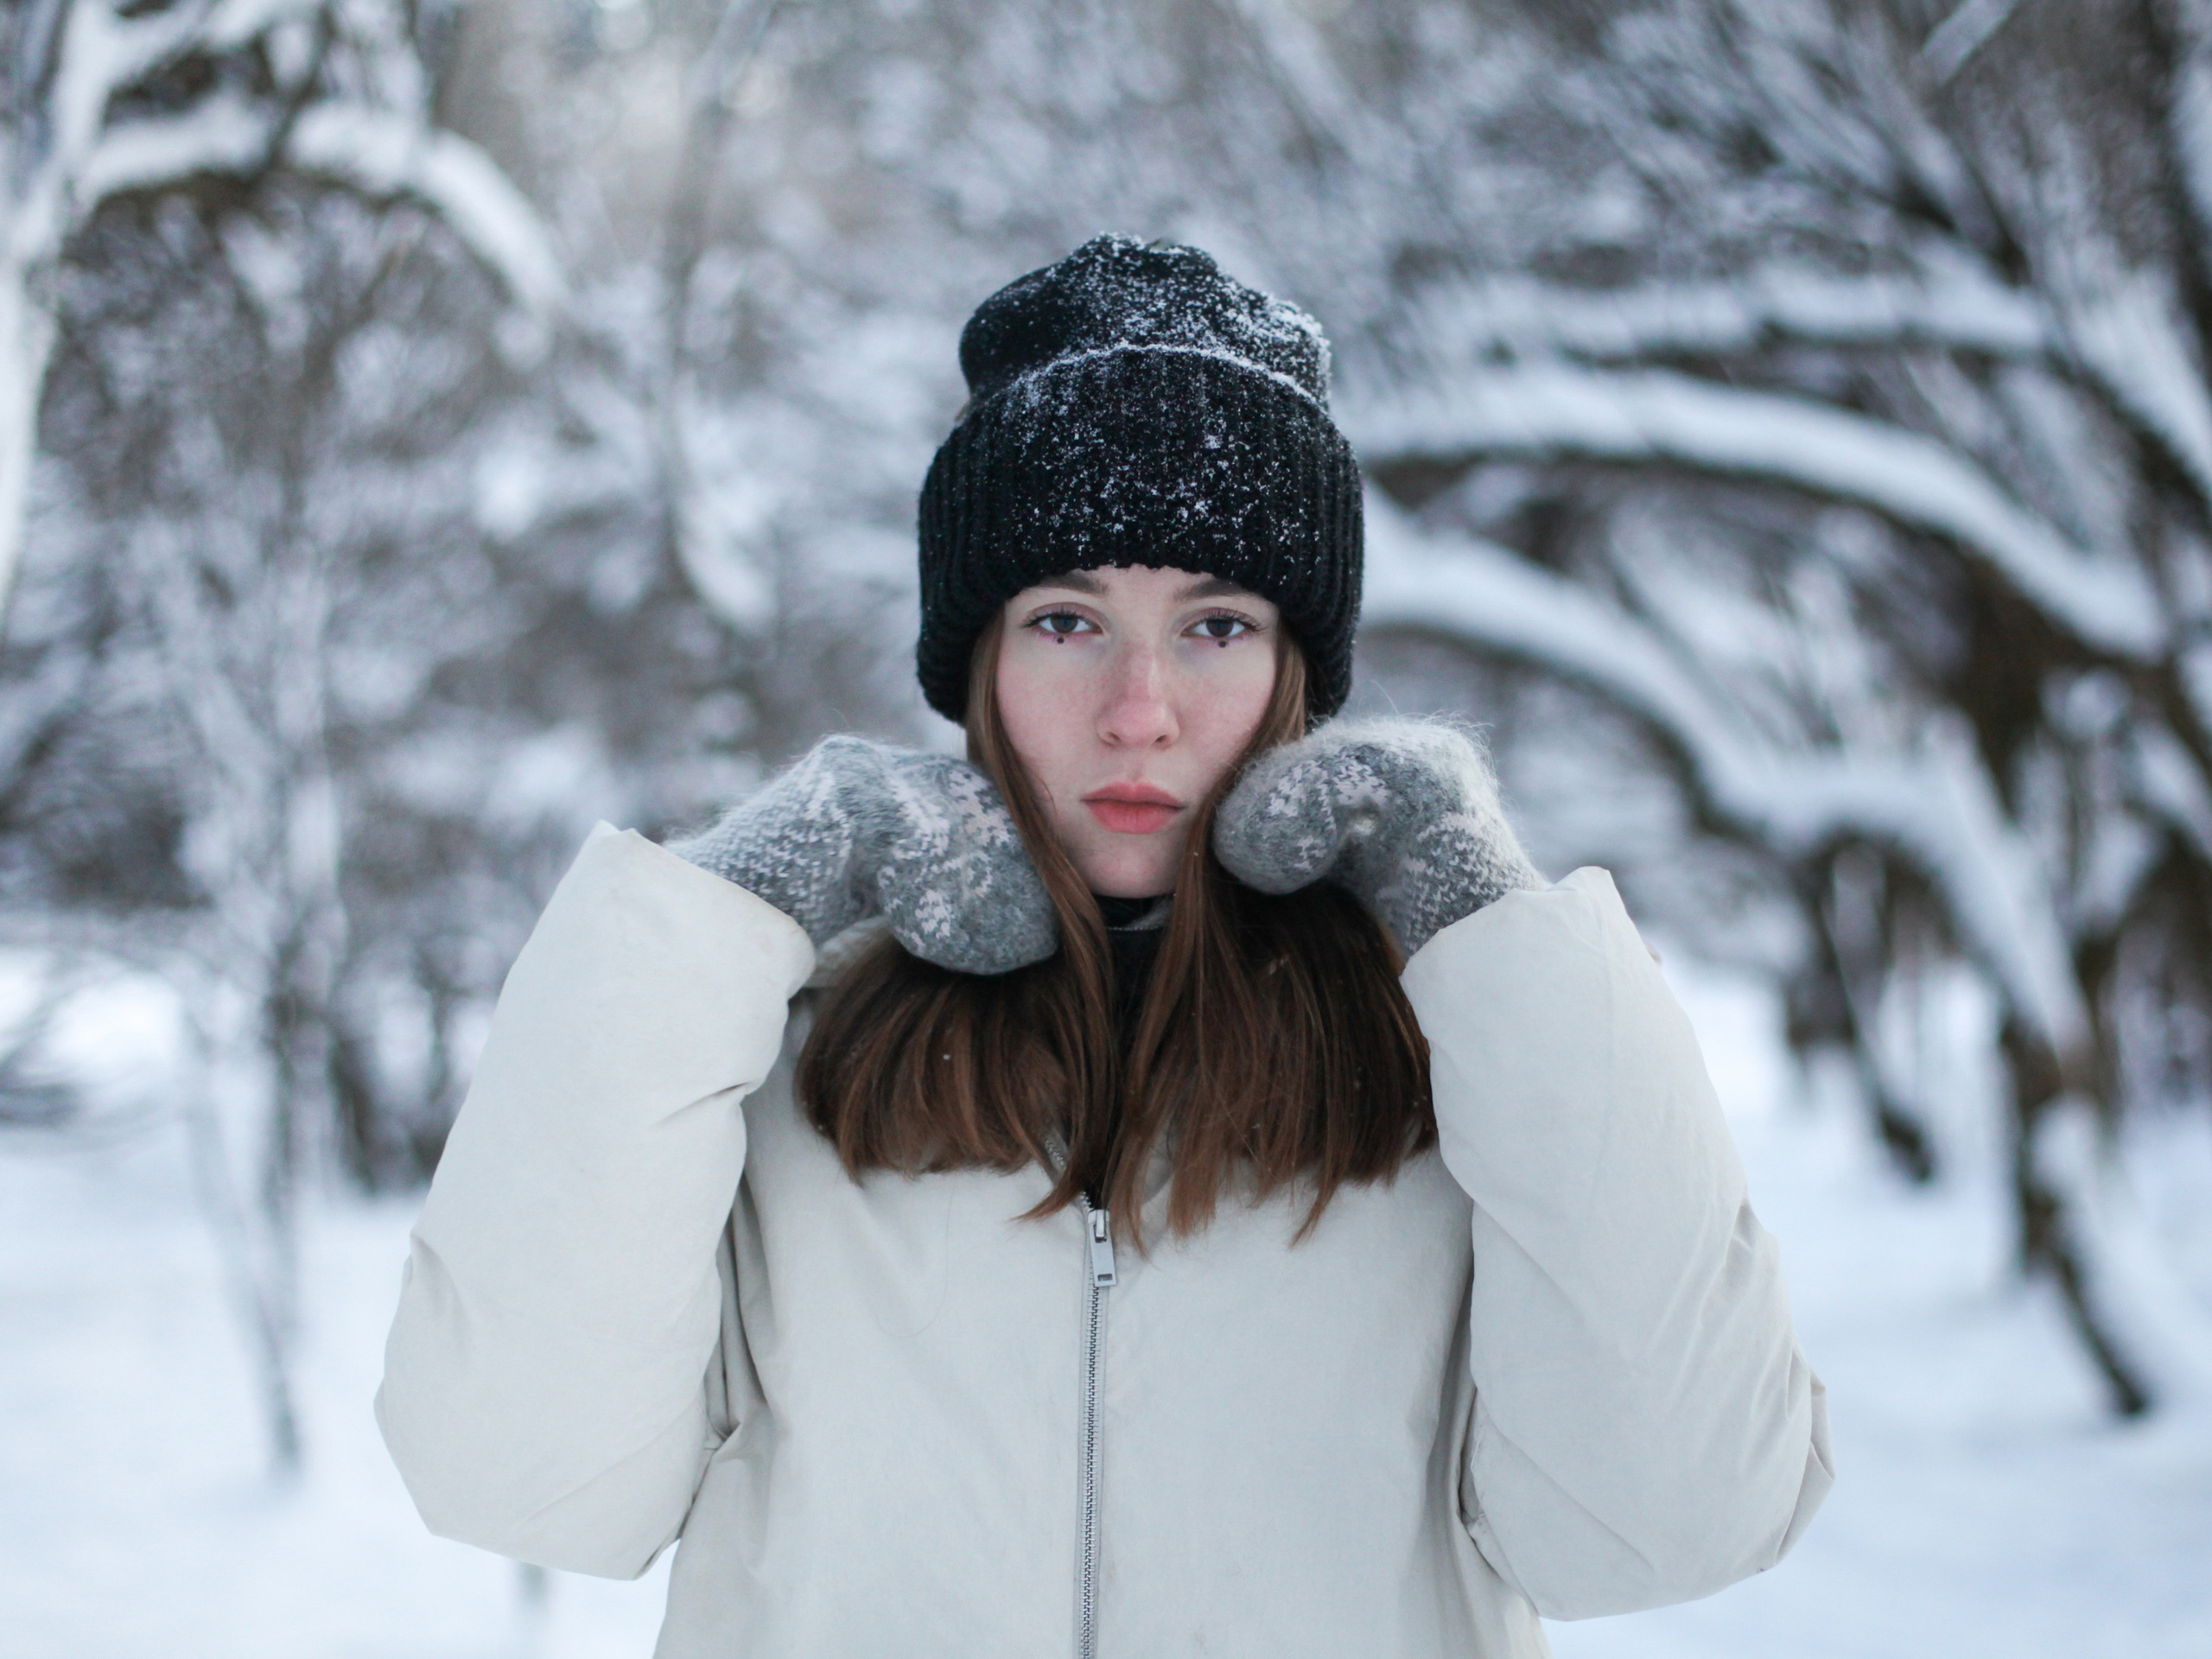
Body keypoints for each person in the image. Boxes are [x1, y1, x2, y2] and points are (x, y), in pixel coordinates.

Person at [377, 235, 1833, 1658]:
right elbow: (513, 1470)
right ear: (979, 661)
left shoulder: (1460, 1068)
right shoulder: (775, 1064)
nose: (1140, 710)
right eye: (1068, 622)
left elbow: (1681, 1516)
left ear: (1299, 669)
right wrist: (731, 903)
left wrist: (1484, 917)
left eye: (1217, 626)